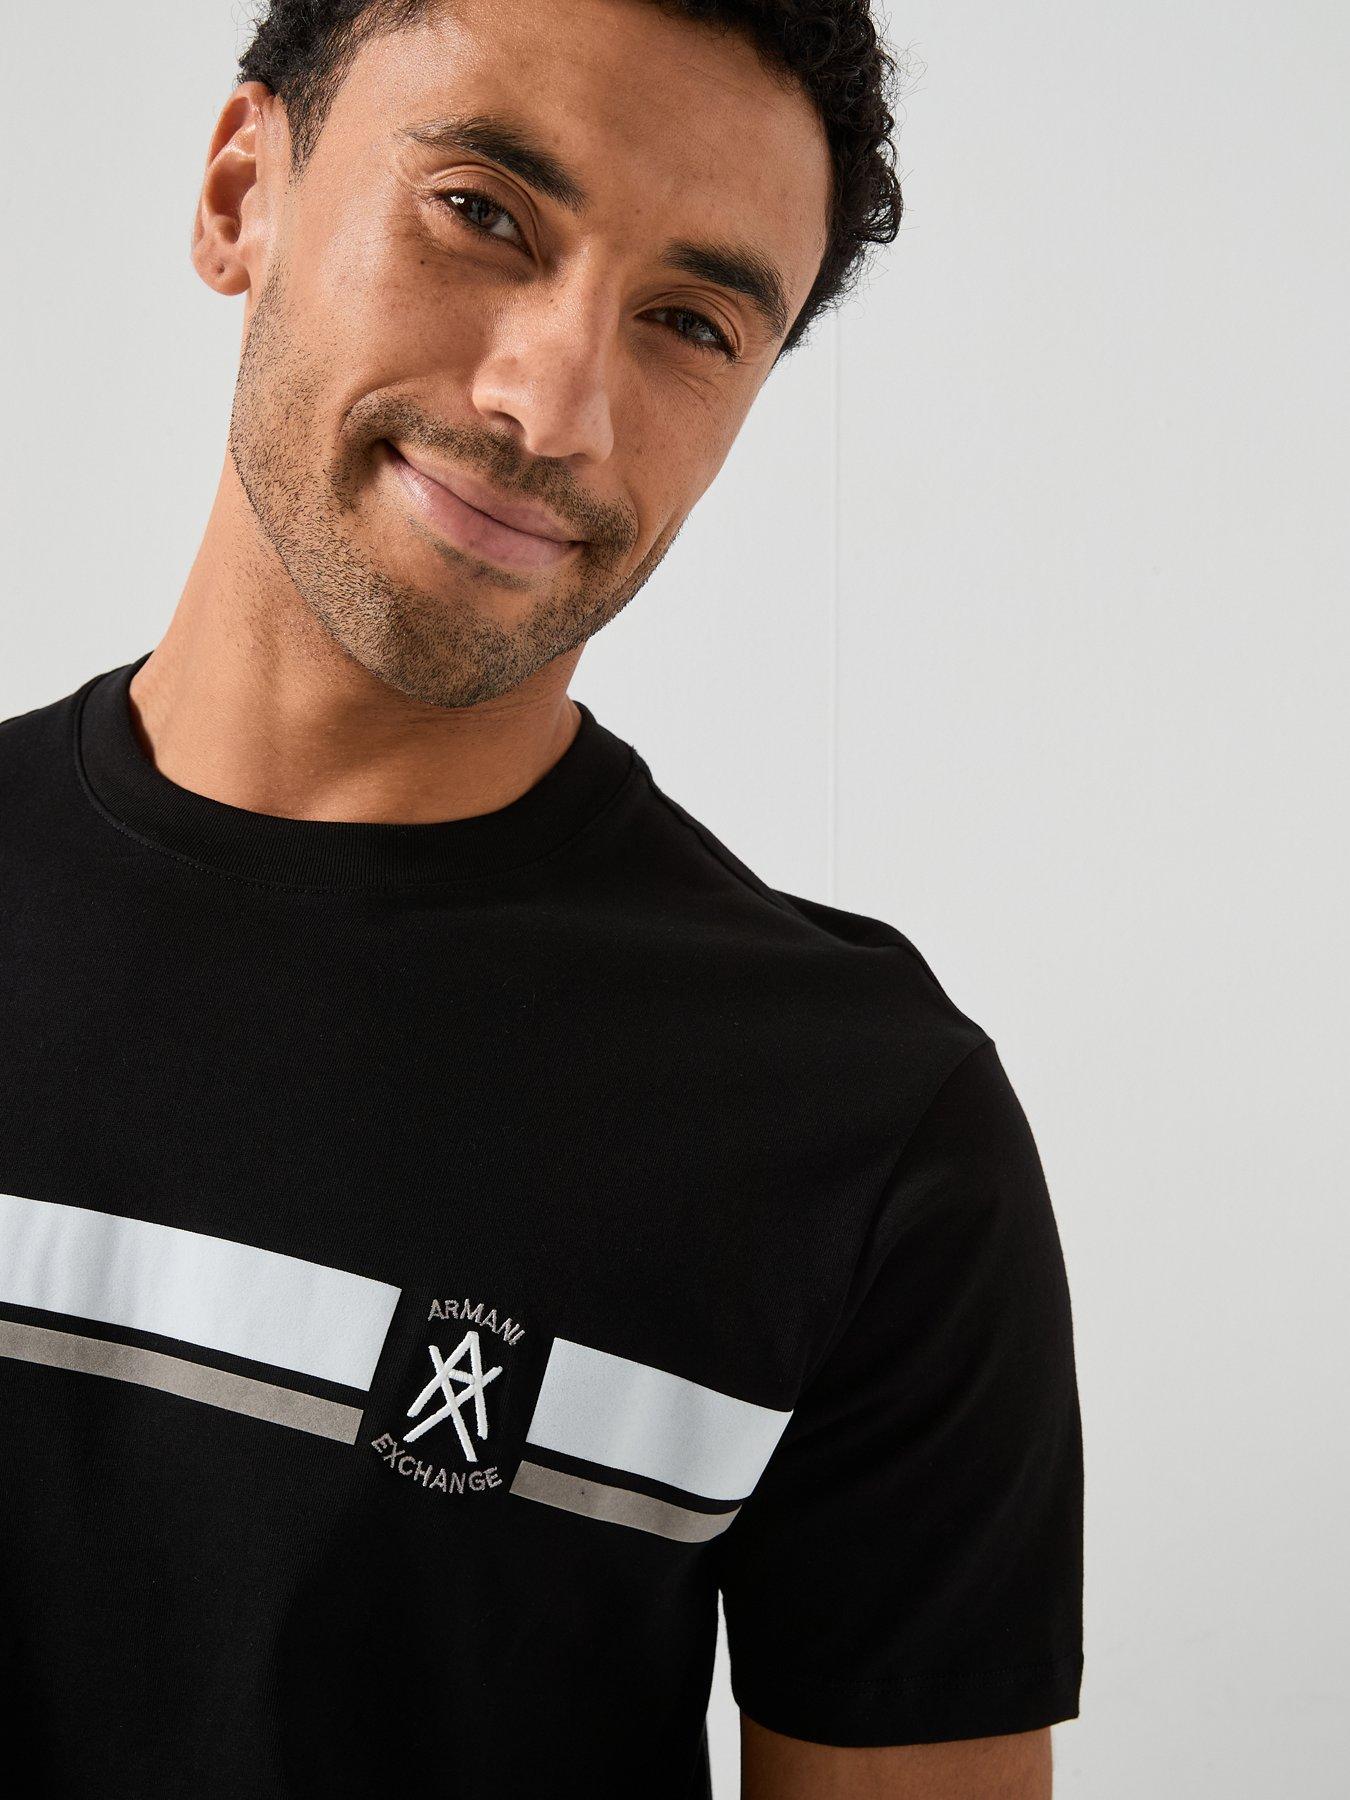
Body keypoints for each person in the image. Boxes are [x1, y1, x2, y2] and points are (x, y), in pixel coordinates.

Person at [0, 2, 1083, 1795]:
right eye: (482, 213)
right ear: (241, 191)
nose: (550, 405)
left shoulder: (862, 1131)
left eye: (689, 322)